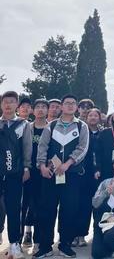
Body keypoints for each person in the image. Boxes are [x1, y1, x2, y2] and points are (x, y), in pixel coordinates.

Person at [35, 94, 89, 259]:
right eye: (67, 103)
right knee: (47, 210)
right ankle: (45, 246)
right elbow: (42, 147)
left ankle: (65, 244)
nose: (70, 105)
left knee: (69, 210)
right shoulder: (50, 126)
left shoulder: (82, 126)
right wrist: (42, 166)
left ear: (76, 107)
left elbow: (82, 148)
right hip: (50, 174)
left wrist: (67, 164)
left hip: (71, 175)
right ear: (61, 106)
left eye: (74, 103)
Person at [0, 91, 32, 259]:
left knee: (14, 209)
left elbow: (27, 146)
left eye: (12, 102)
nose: (8, 104)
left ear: (16, 105)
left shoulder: (23, 124)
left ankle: (14, 244)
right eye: (5, 101)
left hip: (15, 173)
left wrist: (27, 168)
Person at [22, 99, 48, 250]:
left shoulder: (51, 128)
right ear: (32, 110)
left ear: (47, 110)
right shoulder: (26, 127)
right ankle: (25, 233)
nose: (40, 110)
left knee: (41, 205)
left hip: (43, 173)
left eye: (43, 107)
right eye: (37, 107)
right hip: (27, 172)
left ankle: (39, 239)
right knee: (25, 204)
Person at [75, 107, 102, 248]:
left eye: (95, 115)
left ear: (99, 118)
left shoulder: (102, 134)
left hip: (96, 175)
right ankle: (77, 235)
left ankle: (89, 236)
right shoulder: (81, 131)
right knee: (80, 205)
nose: (92, 117)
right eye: (90, 115)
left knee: (93, 206)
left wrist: (98, 169)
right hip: (81, 173)